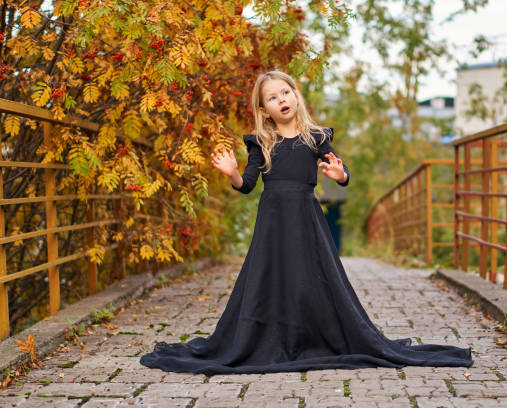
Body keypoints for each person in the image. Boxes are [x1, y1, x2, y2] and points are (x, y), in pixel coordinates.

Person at [139, 70, 473, 376]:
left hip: (305, 216)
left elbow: (342, 174)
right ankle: (270, 335)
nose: (281, 99)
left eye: (285, 92)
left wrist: (339, 174)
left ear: (296, 96)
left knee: (312, 276)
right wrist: (231, 174)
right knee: (270, 277)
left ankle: (313, 333)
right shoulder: (260, 142)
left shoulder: (315, 136)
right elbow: (248, 185)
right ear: (264, 108)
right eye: (272, 97)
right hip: (272, 220)